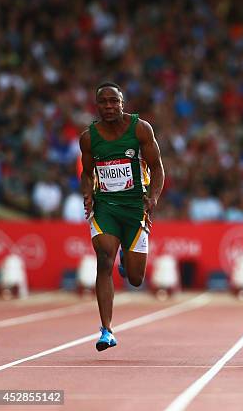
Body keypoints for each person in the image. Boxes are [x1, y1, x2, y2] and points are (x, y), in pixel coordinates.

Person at [80, 82, 164, 351]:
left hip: (135, 208)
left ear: (122, 103)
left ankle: (126, 264)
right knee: (104, 259)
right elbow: (86, 172)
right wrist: (88, 194)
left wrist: (153, 198)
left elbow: (158, 168)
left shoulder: (140, 129)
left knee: (136, 279)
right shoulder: (89, 137)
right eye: (103, 102)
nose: (108, 106)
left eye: (113, 101)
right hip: (105, 207)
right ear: (97, 106)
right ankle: (106, 330)